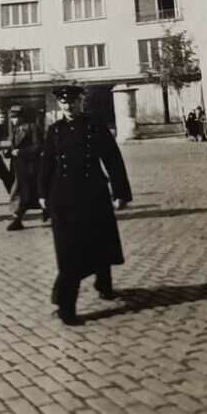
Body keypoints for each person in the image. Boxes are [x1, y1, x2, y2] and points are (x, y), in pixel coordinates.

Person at [39, 84, 132, 326]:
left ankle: (104, 285)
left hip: (94, 194)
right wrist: (41, 195)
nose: (68, 106)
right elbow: (46, 162)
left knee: (100, 240)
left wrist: (120, 192)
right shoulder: (54, 130)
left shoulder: (95, 127)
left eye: (72, 102)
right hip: (63, 197)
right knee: (68, 252)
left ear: (81, 102)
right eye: (63, 103)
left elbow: (113, 159)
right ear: (59, 105)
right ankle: (65, 306)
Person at [6, 105, 46, 231]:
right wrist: (7, 152)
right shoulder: (15, 129)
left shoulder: (32, 127)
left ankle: (17, 219)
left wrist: (21, 152)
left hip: (31, 166)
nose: (13, 120)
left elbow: (38, 146)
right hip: (18, 166)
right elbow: (13, 147)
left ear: (22, 117)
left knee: (26, 193)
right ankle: (46, 211)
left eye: (16, 117)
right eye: (12, 118)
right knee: (28, 193)